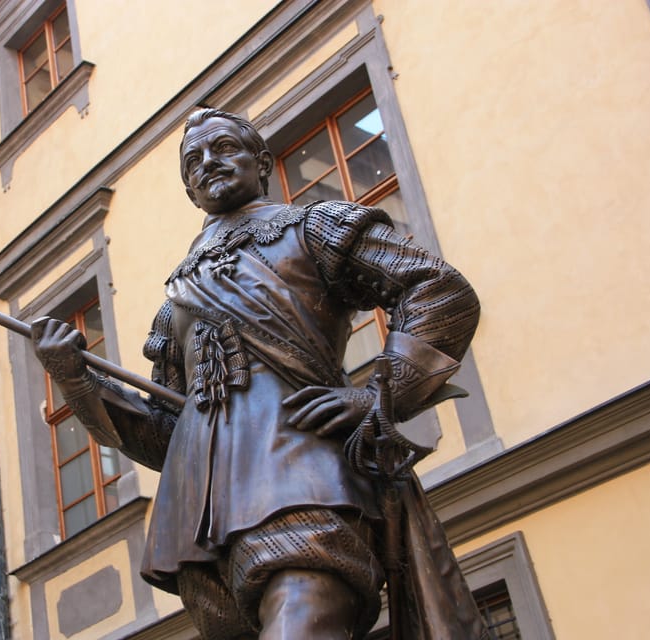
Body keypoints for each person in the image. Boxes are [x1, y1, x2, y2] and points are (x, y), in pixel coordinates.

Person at [31, 109, 486, 639]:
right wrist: (75, 377)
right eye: (193, 161)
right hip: (201, 525)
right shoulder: (176, 301)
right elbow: (164, 433)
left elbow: (438, 290)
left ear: (262, 163)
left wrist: (380, 394)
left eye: (223, 148)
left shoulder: (313, 228)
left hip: (305, 480)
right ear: (189, 190)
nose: (208, 163)